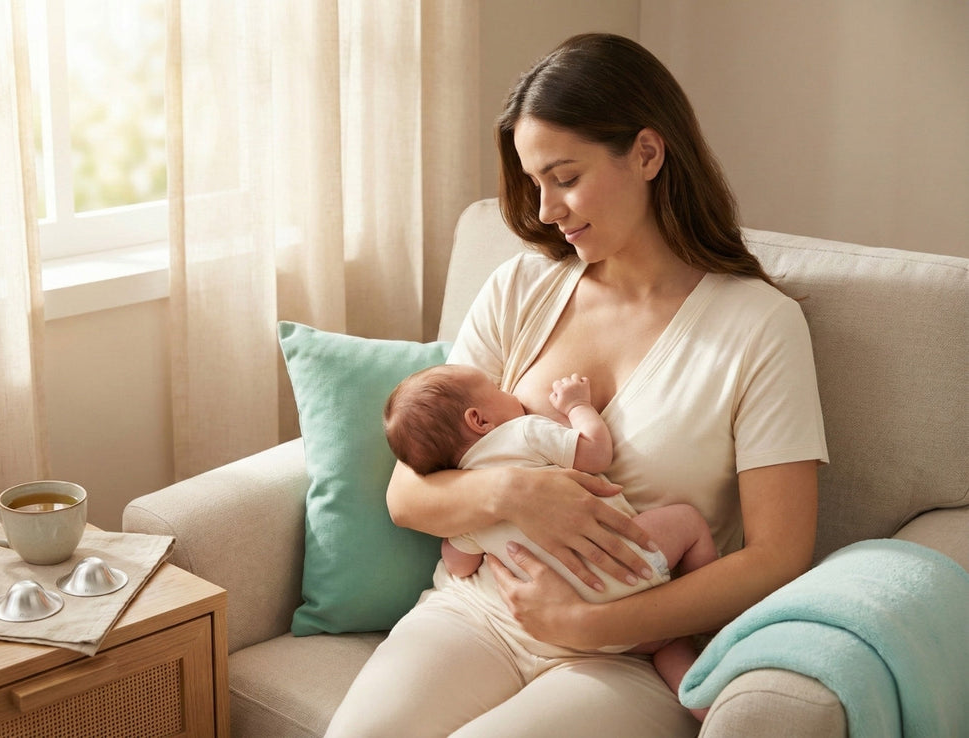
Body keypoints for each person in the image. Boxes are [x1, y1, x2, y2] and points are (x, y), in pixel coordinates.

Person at [326, 32, 826, 737]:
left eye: (564, 177)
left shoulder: (760, 327)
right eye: (535, 183)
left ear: (648, 153)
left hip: (629, 656)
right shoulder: (521, 288)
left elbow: (777, 557)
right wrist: (516, 492)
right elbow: (407, 494)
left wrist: (593, 622)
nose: (546, 210)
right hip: (479, 611)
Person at [383, 363, 718, 719]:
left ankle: (694, 692)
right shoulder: (523, 433)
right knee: (688, 521)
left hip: (555, 621)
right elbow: (595, 453)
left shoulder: (467, 502)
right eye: (498, 391)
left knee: (662, 644)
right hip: (626, 567)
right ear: (479, 420)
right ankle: (708, 640)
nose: (510, 393)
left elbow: (459, 565)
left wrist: (461, 538)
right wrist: (578, 407)